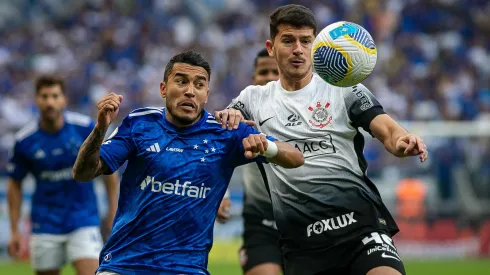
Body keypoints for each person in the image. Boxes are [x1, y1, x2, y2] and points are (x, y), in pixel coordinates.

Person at [215, 4, 429, 275]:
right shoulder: (252, 100)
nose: (298, 49)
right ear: (271, 47)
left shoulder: (344, 88)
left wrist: (403, 140)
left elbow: (387, 130)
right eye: (288, 41)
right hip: (301, 243)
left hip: (359, 228)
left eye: (306, 41)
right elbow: (218, 144)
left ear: (315, 46)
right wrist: (227, 119)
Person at [71, 50, 304, 275]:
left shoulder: (225, 132)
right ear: (163, 88)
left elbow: (295, 157)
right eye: (181, 82)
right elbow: (83, 173)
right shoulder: (139, 124)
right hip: (124, 264)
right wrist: (100, 128)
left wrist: (266, 145)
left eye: (199, 84)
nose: (190, 91)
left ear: (207, 94)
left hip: (187, 269)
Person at [7, 76, 119, 275]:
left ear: (64, 99)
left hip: (83, 220)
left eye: (55, 96)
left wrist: (113, 213)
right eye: (44, 96)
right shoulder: (24, 140)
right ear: (36, 100)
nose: (50, 102)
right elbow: (15, 184)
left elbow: (109, 172)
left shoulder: (85, 128)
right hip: (44, 224)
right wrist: (14, 230)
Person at [216, 48, 283, 275]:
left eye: (276, 71)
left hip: (306, 219)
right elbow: (216, 151)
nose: (270, 77)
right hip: (261, 219)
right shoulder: (242, 114)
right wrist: (221, 195)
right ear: (253, 78)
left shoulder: (307, 110)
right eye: (264, 72)